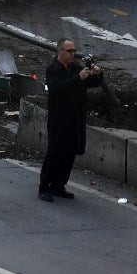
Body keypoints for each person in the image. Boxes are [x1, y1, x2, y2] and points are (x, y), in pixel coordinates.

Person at [38, 38, 103, 202]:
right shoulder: (53, 69)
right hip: (60, 118)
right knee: (55, 153)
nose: (73, 54)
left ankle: (59, 185)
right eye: (69, 51)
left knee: (69, 153)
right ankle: (45, 187)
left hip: (75, 118)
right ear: (60, 51)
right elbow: (58, 89)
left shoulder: (75, 67)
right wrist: (78, 78)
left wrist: (97, 74)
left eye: (74, 51)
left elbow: (91, 83)